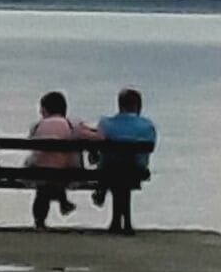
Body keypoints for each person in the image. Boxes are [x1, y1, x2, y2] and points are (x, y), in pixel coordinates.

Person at [26, 91, 98, 229]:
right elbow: (96, 137)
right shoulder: (73, 124)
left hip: (39, 173)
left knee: (45, 182)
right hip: (66, 173)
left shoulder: (36, 126)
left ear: (45, 109)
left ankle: (40, 221)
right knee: (58, 169)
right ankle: (63, 201)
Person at [92, 88, 157, 234]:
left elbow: (97, 145)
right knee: (124, 175)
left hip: (109, 169)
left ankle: (116, 220)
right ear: (138, 106)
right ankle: (125, 223)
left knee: (115, 171)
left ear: (119, 105)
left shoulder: (105, 123)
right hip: (136, 169)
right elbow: (149, 149)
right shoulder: (147, 125)